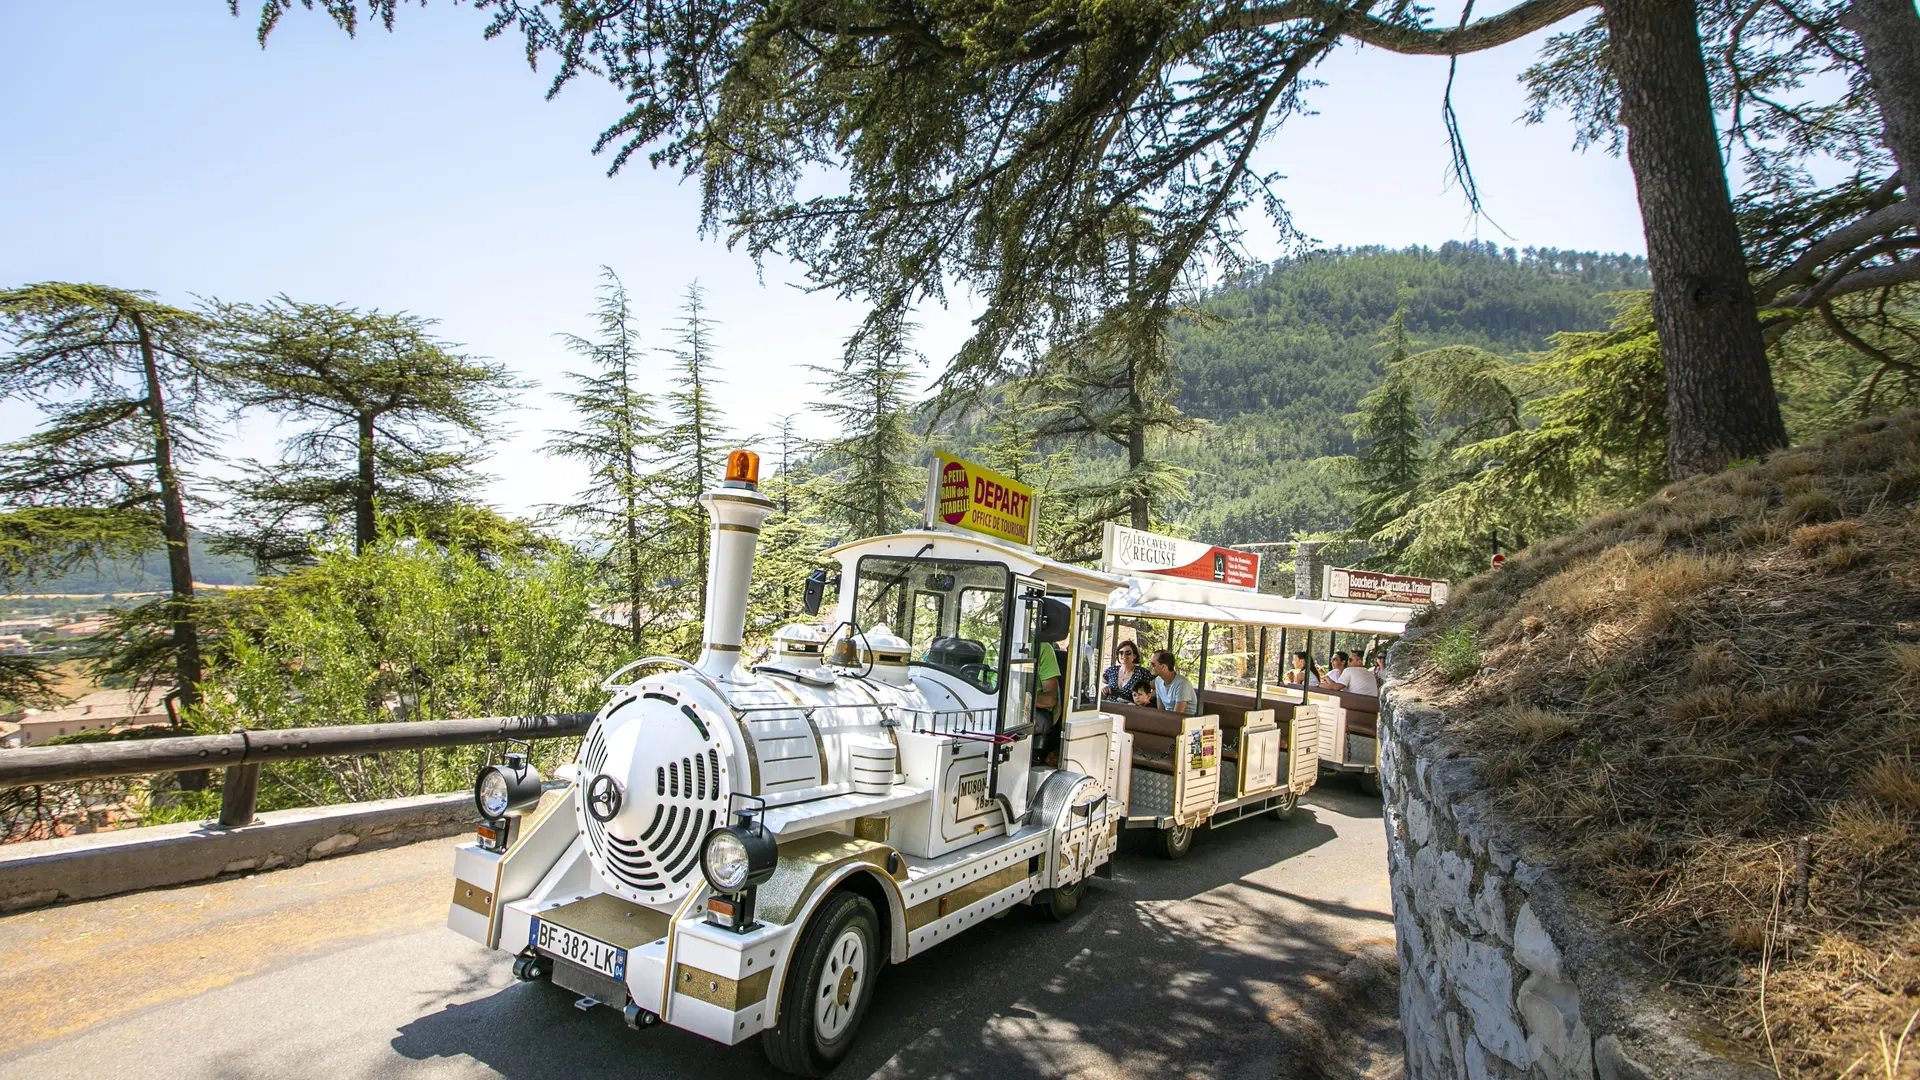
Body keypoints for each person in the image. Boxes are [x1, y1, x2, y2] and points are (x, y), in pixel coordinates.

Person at [1150, 650, 1198, 715]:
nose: (1150, 666)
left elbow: (1177, 715)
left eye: (1153, 664)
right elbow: (1161, 711)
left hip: (1186, 719)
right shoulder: (1158, 681)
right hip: (1169, 718)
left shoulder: (1182, 684)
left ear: (1163, 667)